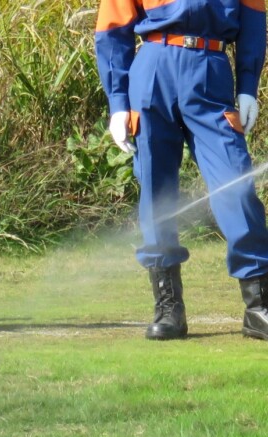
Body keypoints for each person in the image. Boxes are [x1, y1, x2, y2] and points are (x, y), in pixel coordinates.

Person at [94, 0, 268, 340]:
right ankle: (168, 308)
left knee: (236, 186)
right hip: (152, 71)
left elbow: (253, 20)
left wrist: (248, 86)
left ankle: (258, 306)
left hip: (211, 71)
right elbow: (112, 26)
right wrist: (117, 101)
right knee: (156, 193)